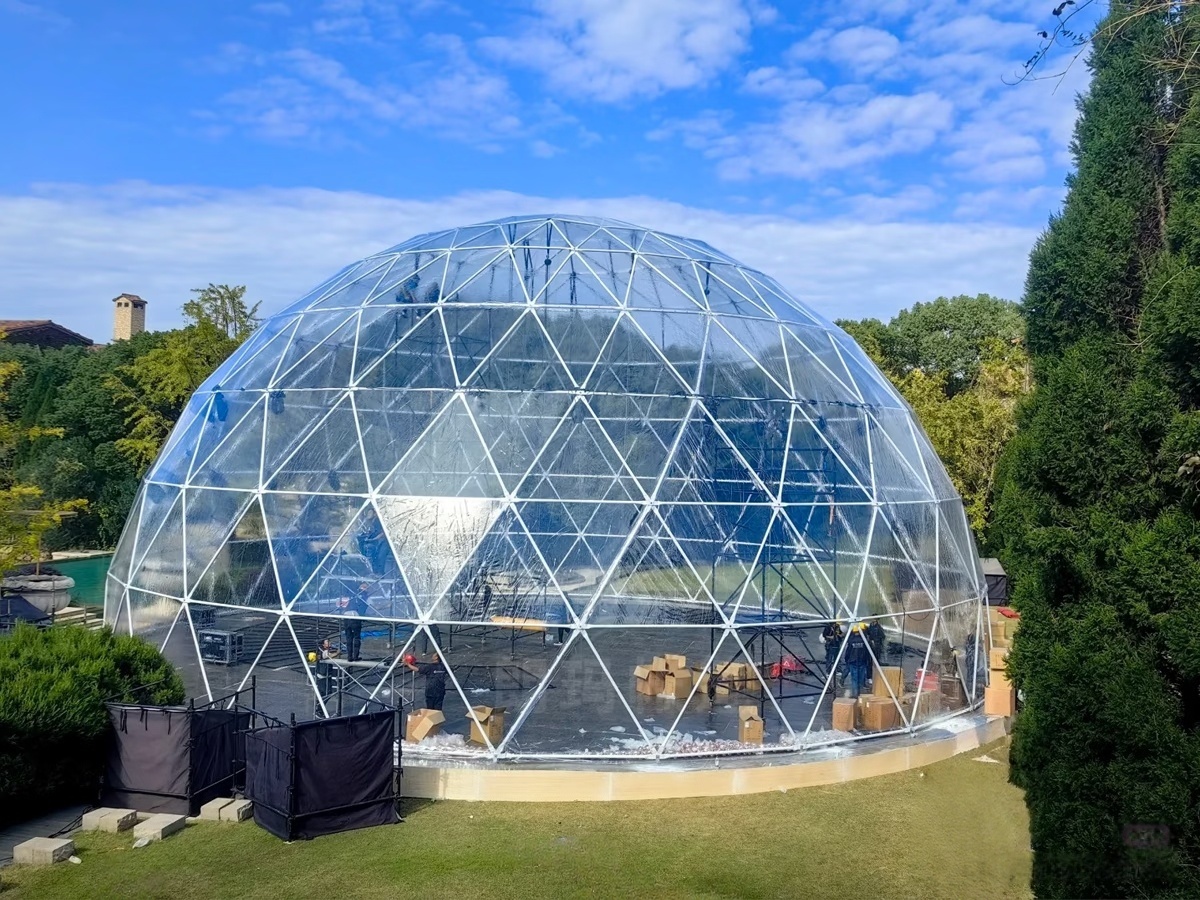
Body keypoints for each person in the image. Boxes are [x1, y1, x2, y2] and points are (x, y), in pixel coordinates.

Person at [338, 586, 369, 662]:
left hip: (346, 618)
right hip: (355, 617)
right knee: (357, 637)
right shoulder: (359, 597)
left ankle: (349, 657)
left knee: (349, 638)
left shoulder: (343, 597)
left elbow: (339, 606)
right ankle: (355, 656)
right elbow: (364, 606)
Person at [843, 623, 871, 698]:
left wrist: (847, 660)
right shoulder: (864, 640)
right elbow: (867, 652)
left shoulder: (851, 641)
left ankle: (855, 695)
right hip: (862, 661)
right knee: (861, 678)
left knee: (854, 679)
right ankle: (859, 694)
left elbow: (848, 652)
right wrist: (868, 661)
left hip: (853, 661)